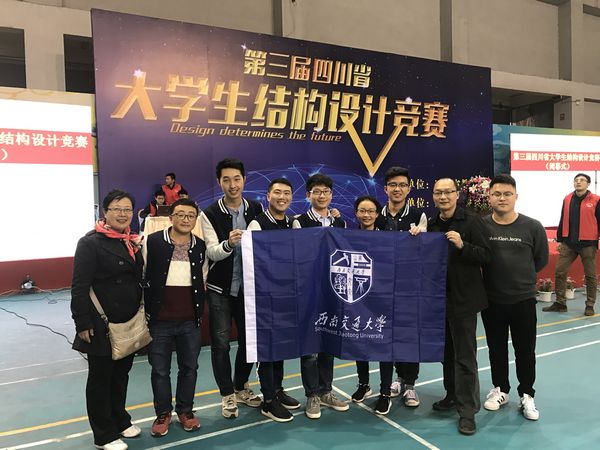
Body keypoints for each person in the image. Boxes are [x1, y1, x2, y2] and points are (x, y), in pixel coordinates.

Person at [71, 189, 144, 450]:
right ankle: (103, 434)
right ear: (105, 212)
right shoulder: (90, 243)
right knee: (100, 379)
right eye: (117, 209)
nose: (122, 214)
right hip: (100, 322)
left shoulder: (130, 240)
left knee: (121, 375)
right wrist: (82, 322)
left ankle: (120, 420)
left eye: (127, 209)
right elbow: (79, 286)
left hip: (127, 321)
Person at [199, 158, 264, 419]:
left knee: (250, 342)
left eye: (237, 179)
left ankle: (240, 386)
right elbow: (211, 252)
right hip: (220, 289)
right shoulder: (209, 213)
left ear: (244, 180)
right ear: (219, 182)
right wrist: (228, 244)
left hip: (249, 288)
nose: (232, 185)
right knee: (221, 344)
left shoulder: (257, 208)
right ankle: (227, 394)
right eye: (226, 180)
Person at [481, 174, 548, 421]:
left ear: (516, 196)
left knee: (525, 351)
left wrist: (520, 280)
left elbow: (540, 259)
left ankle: (527, 394)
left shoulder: (533, 226)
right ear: (489, 197)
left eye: (507, 194)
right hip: (492, 300)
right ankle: (500, 389)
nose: (502, 198)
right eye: (497, 194)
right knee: (496, 349)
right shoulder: (481, 226)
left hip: (523, 300)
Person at [428, 178, 491, 436]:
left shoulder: (473, 221)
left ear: (457, 195)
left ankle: (468, 411)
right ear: (433, 196)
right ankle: (452, 395)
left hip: (464, 300)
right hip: (439, 299)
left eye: (447, 192)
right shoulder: (431, 224)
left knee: (465, 356)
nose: (443, 197)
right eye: (438, 193)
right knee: (447, 353)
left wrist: (463, 245)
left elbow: (486, 255)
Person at [143, 198, 206, 436]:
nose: (185, 219)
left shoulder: (199, 246)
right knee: (160, 370)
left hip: (190, 321)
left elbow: (202, 277)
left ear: (195, 219)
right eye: (180, 214)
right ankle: (163, 414)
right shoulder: (152, 242)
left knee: (189, 368)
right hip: (159, 320)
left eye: (190, 215)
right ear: (171, 217)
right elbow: (143, 274)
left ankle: (185, 411)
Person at [292, 173, 349, 419]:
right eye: (317, 191)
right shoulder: (299, 222)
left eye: (326, 191)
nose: (322, 195)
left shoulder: (340, 223)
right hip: (309, 291)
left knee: (329, 342)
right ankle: (312, 395)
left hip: (333, 291)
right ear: (308, 195)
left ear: (331, 195)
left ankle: (326, 390)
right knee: (310, 347)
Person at [246, 178, 301, 422]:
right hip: (264, 297)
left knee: (281, 346)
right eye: (277, 192)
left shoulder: (293, 223)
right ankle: (268, 400)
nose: (282, 197)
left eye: (287, 193)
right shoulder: (257, 224)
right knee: (266, 348)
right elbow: (253, 262)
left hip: (287, 295)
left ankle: (277, 390)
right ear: (268, 196)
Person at [374, 166, 427, 408]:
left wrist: (420, 236)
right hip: (383, 287)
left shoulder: (418, 215)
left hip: (409, 287)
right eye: (393, 185)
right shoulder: (376, 215)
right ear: (385, 188)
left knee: (409, 334)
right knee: (388, 334)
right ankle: (397, 378)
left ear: (409, 189)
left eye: (402, 185)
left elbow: (426, 250)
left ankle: (410, 384)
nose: (398, 189)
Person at [350, 195, 395, 415]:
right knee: (360, 342)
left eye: (370, 211)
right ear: (356, 213)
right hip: (359, 300)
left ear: (377, 214)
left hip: (383, 300)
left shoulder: (389, 238)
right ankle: (363, 384)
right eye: (362, 211)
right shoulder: (347, 237)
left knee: (385, 346)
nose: (366, 215)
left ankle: (385, 393)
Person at [543, 173, 600, 316]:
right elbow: (563, 218)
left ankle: (590, 305)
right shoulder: (567, 198)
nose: (578, 182)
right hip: (569, 243)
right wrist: (560, 239)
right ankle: (560, 303)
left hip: (588, 243)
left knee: (590, 276)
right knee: (560, 272)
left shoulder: (596, 200)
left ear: (588, 184)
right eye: (576, 180)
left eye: (582, 180)